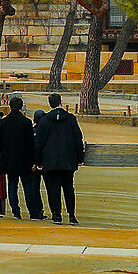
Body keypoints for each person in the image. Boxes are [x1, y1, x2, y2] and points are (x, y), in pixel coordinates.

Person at [33, 92, 86, 225]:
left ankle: (56, 214)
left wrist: (38, 161)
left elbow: (39, 142)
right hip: (68, 159)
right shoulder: (71, 119)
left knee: (53, 189)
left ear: (50, 104)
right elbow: (78, 139)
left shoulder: (44, 121)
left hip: (49, 160)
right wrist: (80, 157)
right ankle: (72, 215)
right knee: (68, 188)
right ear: (61, 102)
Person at [0, 94, 42, 220]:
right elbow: (30, 143)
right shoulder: (26, 122)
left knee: (12, 185)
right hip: (24, 159)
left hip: (9, 158)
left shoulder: (3, 122)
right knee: (28, 186)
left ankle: (16, 212)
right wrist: (33, 160)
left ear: (10, 107)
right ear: (21, 107)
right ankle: (32, 212)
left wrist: (4, 152)